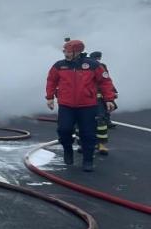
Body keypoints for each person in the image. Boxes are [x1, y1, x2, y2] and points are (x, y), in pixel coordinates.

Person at [46, 40, 116, 172]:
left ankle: (88, 160)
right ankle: (67, 149)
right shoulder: (59, 66)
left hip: (88, 106)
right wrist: (49, 97)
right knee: (64, 130)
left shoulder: (93, 65)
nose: (64, 53)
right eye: (64, 51)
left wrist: (109, 99)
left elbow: (105, 82)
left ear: (77, 51)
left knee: (88, 134)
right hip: (66, 106)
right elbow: (51, 80)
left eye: (67, 51)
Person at [89, 51, 119, 154]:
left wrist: (112, 93)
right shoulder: (84, 66)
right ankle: (84, 144)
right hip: (85, 99)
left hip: (99, 98)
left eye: (98, 58)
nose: (97, 60)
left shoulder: (102, 67)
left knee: (101, 120)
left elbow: (106, 81)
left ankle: (101, 144)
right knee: (83, 122)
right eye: (96, 58)